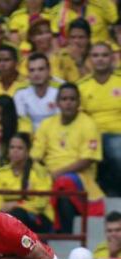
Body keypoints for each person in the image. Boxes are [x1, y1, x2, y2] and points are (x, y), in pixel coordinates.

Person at [31, 82, 104, 233]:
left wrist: (58, 173)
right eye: (64, 99)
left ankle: (65, 234)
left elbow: (88, 159)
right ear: (57, 102)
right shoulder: (47, 124)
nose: (68, 103)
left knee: (64, 183)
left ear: (78, 102)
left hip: (80, 178)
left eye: (72, 99)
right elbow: (35, 156)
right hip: (49, 177)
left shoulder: (88, 123)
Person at [78, 42, 121, 196]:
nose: (100, 59)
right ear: (90, 59)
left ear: (112, 58)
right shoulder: (82, 86)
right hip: (91, 137)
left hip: (118, 135)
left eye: (104, 55)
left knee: (115, 146)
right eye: (95, 55)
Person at [0, 132, 54, 233]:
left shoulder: (39, 172)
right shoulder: (2, 173)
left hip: (39, 217)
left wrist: (16, 204)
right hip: (9, 215)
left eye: (20, 148)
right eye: (12, 147)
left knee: (17, 214)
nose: (15, 151)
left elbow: (40, 203)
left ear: (28, 151)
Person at [20, 18, 78, 82]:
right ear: (32, 38)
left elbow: (74, 80)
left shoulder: (63, 56)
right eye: (40, 34)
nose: (45, 36)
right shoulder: (27, 61)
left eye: (47, 32)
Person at [14, 52, 60, 131]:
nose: (36, 74)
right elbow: (23, 122)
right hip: (30, 137)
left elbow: (61, 120)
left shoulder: (60, 90)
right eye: (32, 70)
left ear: (49, 70)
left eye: (41, 69)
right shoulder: (20, 92)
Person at [51, 0, 117, 44]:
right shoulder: (57, 12)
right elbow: (55, 42)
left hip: (101, 55)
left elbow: (116, 21)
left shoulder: (101, 4)